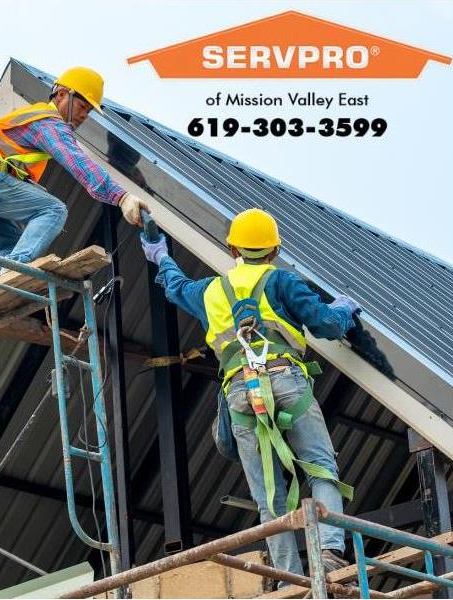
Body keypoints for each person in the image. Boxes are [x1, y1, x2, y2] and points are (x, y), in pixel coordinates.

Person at [140, 207, 359, 581]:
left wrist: (159, 253)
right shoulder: (283, 282)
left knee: (267, 496)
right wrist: (343, 310)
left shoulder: (211, 291)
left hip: (241, 395)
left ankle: (290, 577)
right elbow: (324, 325)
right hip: (286, 381)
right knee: (320, 467)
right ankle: (329, 553)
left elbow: (175, 286)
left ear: (231, 248)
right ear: (274, 252)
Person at [0, 66, 148, 293]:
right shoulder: (47, 122)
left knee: (13, 244)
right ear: (61, 94)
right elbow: (79, 164)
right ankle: (15, 268)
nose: (84, 115)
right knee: (53, 210)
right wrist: (121, 197)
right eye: (82, 106)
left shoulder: (35, 122)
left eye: (88, 111)